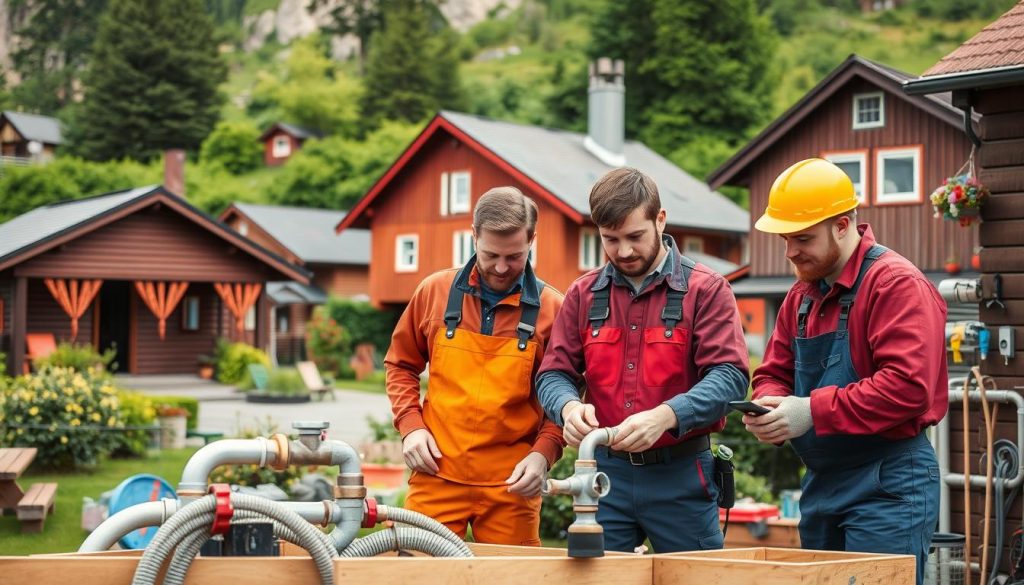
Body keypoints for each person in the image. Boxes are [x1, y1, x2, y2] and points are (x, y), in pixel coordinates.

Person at [743, 158, 946, 585]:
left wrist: (811, 411)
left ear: (843, 224)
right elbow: (773, 370)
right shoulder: (800, 297)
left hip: (888, 482)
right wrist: (770, 403)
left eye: (802, 238)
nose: (790, 251)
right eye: (785, 239)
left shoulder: (895, 285)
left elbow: (908, 388)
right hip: (822, 482)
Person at [537, 167, 749, 553]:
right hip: (604, 477)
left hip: (683, 476)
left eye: (635, 236)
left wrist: (667, 415)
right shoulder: (583, 295)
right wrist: (567, 407)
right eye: (610, 239)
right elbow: (553, 374)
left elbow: (730, 377)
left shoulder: (707, 290)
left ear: (660, 219)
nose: (624, 251)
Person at [384, 186, 565, 546]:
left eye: (514, 256)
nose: (501, 268)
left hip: (512, 485)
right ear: (474, 236)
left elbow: (566, 393)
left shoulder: (553, 309)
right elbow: (400, 364)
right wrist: (411, 426)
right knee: (414, 573)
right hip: (435, 473)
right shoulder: (433, 291)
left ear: (532, 239)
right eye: (490, 254)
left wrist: (543, 454)